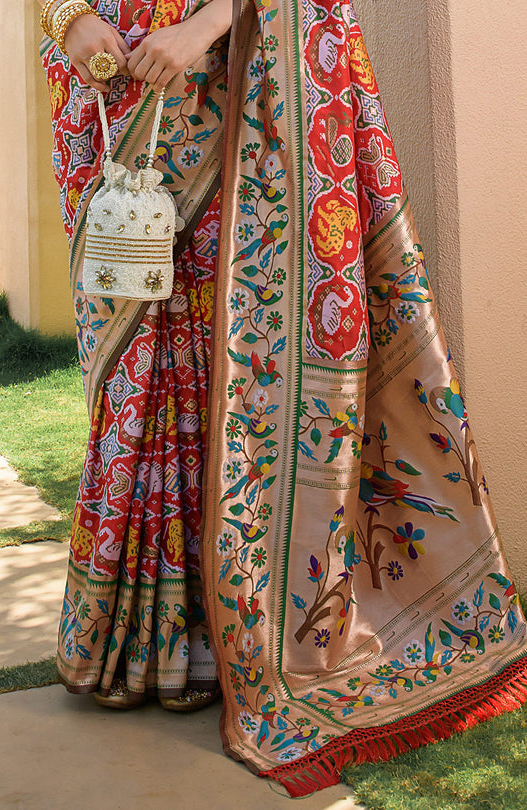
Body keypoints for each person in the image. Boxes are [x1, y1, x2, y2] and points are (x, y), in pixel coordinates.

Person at [41, 0, 527, 796]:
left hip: (232, 80)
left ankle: (229, 632)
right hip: (109, 89)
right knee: (139, 362)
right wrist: (66, 20)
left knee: (230, 352)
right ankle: (142, 640)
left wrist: (202, 28)